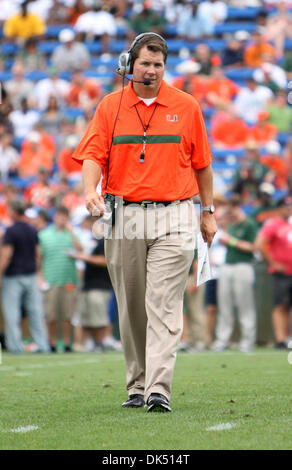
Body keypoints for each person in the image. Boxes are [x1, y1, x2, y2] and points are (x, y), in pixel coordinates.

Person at [72, 32, 217, 412]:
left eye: (158, 65)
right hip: (124, 215)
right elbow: (91, 155)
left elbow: (202, 165)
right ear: (128, 65)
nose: (151, 71)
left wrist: (208, 212)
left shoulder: (187, 106)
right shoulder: (109, 106)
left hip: (176, 214)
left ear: (165, 68)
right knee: (132, 304)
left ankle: (159, 388)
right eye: (145, 64)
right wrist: (90, 191)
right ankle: (137, 384)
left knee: (163, 302)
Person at [0, 199, 49, 353]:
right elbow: (38, 254)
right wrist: (38, 272)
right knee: (36, 313)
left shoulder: (11, 231)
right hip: (31, 275)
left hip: (13, 277)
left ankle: (15, 347)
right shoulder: (32, 230)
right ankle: (42, 345)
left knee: (12, 313)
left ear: (14, 212)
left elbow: (6, 256)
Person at [213, 195, 257, 353]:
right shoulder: (229, 223)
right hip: (227, 267)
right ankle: (222, 339)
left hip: (243, 266)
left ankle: (247, 340)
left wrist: (231, 241)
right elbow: (216, 219)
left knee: (245, 305)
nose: (231, 213)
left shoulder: (249, 224)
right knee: (224, 305)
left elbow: (253, 247)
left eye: (234, 208)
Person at [38, 205, 83, 352]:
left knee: (67, 315)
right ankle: (51, 343)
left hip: (69, 280)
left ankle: (66, 343)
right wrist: (41, 278)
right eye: (59, 216)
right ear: (54, 217)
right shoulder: (44, 235)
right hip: (51, 279)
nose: (62, 219)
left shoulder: (72, 234)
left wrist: (71, 233)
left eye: (65, 217)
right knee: (50, 315)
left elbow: (80, 250)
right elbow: (39, 258)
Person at [255, 196, 292, 349]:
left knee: (287, 306)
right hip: (281, 272)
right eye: (287, 206)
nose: (289, 209)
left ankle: (287, 338)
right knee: (281, 305)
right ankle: (280, 339)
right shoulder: (273, 224)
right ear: (279, 208)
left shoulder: (288, 224)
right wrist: (273, 263)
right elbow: (259, 244)